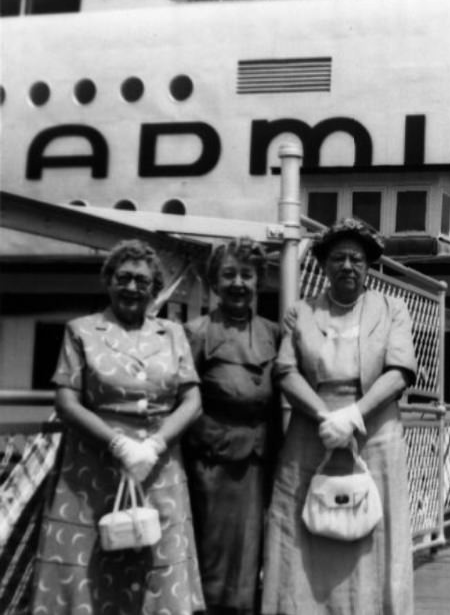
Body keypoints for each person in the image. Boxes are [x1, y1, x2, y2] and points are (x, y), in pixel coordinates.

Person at [31, 239, 205, 614]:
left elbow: (192, 401)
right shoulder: (81, 331)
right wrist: (118, 444)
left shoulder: (173, 334)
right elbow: (66, 401)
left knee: (156, 573)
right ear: (108, 281)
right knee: (88, 574)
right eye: (123, 278)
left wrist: (155, 445)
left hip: (158, 470)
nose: (131, 287)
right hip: (93, 470)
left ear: (154, 289)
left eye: (142, 281)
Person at [261, 218, 417, 615]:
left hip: (375, 431)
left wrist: (352, 415)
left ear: (369, 266)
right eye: (338, 258)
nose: (347, 266)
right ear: (324, 265)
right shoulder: (301, 312)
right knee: (304, 531)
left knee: (373, 535)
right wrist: (324, 416)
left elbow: (399, 372)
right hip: (311, 433)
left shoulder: (391, 309)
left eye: (356, 259)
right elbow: (285, 371)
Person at [183, 237, 281, 615]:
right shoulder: (196, 333)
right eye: (229, 275)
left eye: (247, 275)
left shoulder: (273, 333)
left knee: (250, 560)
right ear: (214, 282)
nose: (239, 283)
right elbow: (180, 399)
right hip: (212, 465)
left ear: (259, 281)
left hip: (258, 465)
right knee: (212, 560)